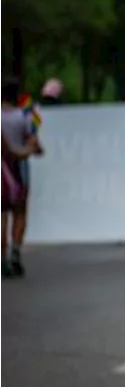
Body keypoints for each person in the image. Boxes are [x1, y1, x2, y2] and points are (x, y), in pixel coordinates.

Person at [0, 78, 40, 276]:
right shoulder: (25, 116)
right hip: (18, 167)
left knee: (1, 214)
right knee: (20, 211)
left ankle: (1, 257)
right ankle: (15, 252)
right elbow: (34, 141)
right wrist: (34, 149)